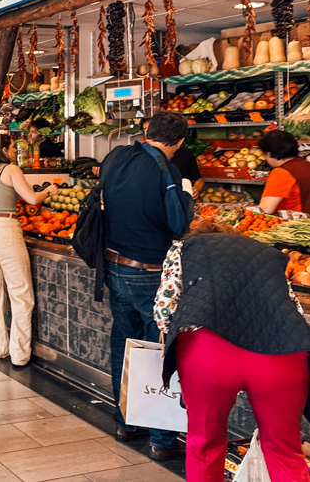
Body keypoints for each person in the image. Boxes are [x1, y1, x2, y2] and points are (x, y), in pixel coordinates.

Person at [155, 220, 310, 481]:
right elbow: (293, 308)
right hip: (281, 352)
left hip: (208, 353)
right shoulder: (267, 253)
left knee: (204, 445)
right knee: (284, 449)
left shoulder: (184, 247)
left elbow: (163, 310)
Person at [100, 111, 193, 459]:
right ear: (179, 142)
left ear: (147, 131)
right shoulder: (166, 171)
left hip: (115, 266)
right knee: (160, 350)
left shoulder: (116, 156)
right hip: (150, 273)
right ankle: (162, 438)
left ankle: (126, 421)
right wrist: (186, 195)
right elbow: (179, 222)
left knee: (124, 346)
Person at [0, 134, 58, 365]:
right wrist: (50, 190)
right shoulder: (11, 169)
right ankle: (19, 355)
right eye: (10, 148)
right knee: (21, 293)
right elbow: (31, 198)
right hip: (7, 228)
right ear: (5, 150)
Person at [141, 117, 204, 199]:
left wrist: (196, 189)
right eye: (145, 129)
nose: (148, 133)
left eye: (150, 129)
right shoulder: (143, 155)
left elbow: (199, 179)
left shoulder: (185, 153)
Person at [258, 129, 310, 213]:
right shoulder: (306, 164)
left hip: (294, 222)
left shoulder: (281, 172)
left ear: (269, 153)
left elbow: (266, 209)